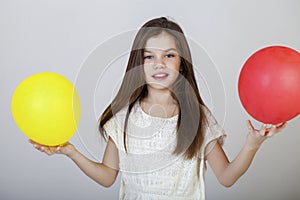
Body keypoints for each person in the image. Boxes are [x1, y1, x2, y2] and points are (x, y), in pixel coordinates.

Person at [30, 17, 287, 200]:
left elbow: (227, 177)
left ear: (182, 64)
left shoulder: (197, 116)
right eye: (149, 56)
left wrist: (252, 144)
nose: (159, 64)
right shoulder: (123, 117)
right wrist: (71, 152)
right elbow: (108, 176)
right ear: (138, 65)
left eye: (169, 55)